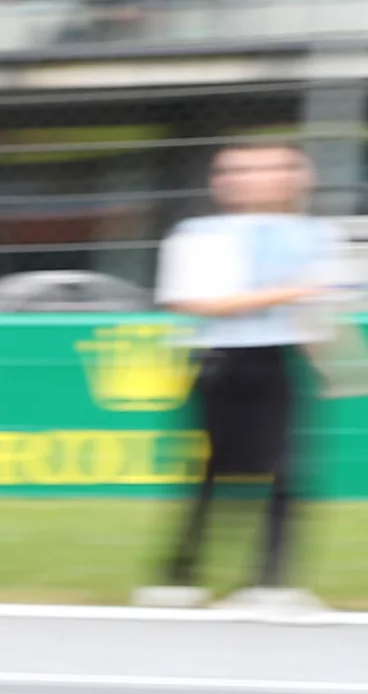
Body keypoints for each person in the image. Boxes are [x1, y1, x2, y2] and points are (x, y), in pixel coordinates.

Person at [139, 140, 343, 611]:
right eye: (241, 171)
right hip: (222, 359)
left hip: (279, 359)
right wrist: (290, 292)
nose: (258, 179)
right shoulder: (199, 234)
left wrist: (327, 360)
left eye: (274, 169)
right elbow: (194, 300)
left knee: (285, 471)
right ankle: (179, 574)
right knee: (211, 471)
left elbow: (315, 311)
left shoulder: (314, 235)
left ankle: (270, 581)